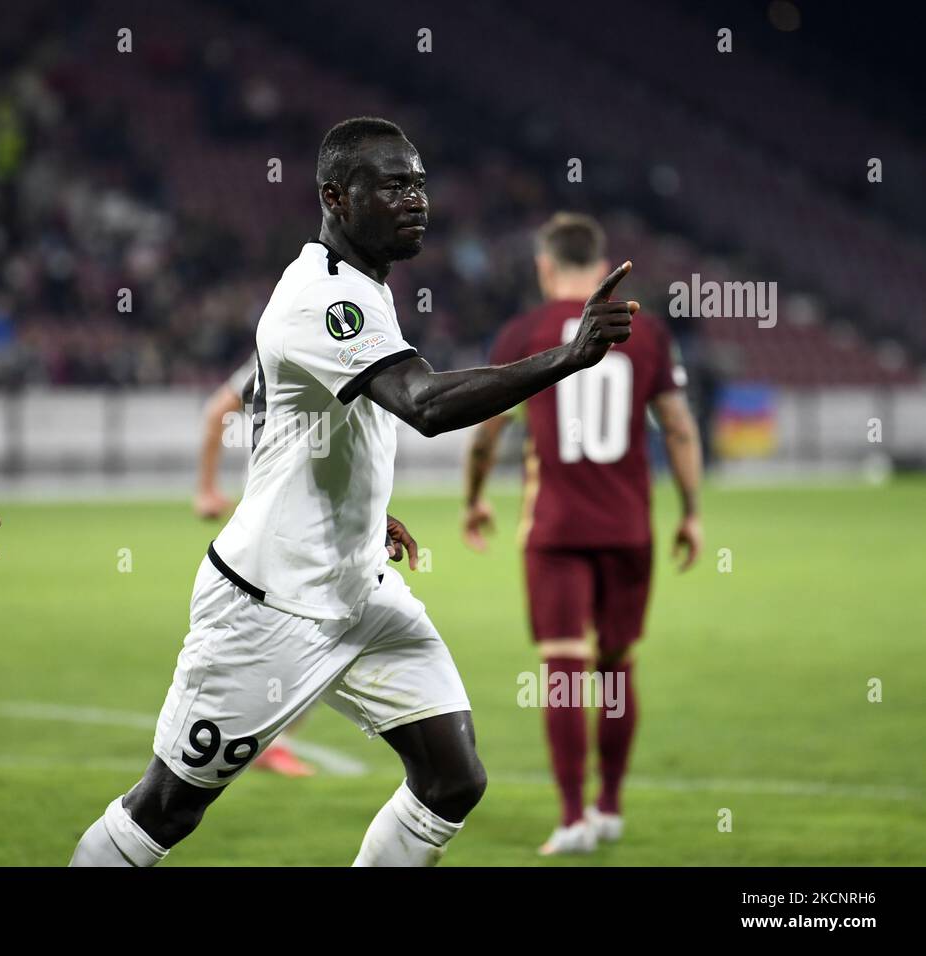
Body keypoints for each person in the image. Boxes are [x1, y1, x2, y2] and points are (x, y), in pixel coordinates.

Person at [70, 118, 637, 866]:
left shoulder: (360, 287)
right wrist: (568, 356)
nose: (417, 199)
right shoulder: (323, 297)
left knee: (451, 779)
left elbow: (301, 426)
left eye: (421, 182)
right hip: (270, 606)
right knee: (166, 808)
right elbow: (425, 405)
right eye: (394, 184)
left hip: (359, 594)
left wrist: (364, 512)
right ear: (336, 197)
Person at [462, 212, 702, 854]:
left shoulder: (522, 331)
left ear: (545, 267)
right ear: (602, 270)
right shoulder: (644, 331)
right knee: (617, 667)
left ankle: (571, 818)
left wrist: (475, 500)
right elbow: (678, 427)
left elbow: (488, 428)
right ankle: (611, 806)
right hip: (628, 528)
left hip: (557, 528)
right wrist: (692, 511)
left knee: (563, 668)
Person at [194, 353, 315, 777]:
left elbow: (217, 412)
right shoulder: (289, 349)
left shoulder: (284, 344)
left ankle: (249, 734)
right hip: (288, 530)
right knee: (319, 636)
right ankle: (244, 736)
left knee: (307, 638)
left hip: (303, 532)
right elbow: (217, 412)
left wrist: (209, 490)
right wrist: (207, 489)